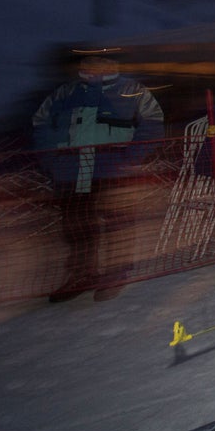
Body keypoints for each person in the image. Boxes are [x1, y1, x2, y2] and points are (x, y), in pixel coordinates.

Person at [32, 48, 165, 303]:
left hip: (111, 171)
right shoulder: (65, 92)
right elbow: (41, 124)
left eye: (101, 59)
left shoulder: (131, 90)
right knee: (76, 227)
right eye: (89, 60)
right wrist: (51, 160)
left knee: (117, 225)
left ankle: (115, 273)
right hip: (70, 173)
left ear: (111, 62)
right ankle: (82, 274)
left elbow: (153, 124)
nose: (94, 64)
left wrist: (130, 157)